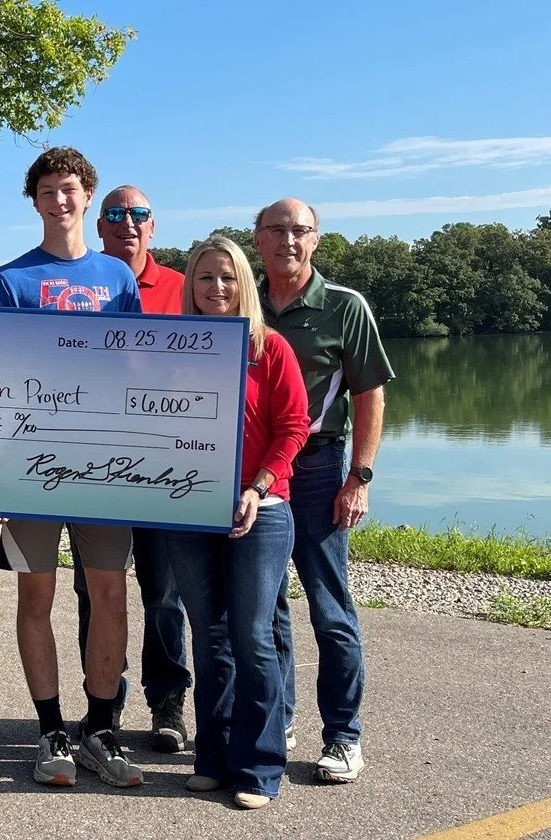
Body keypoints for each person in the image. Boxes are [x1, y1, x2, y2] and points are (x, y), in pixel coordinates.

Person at [0, 147, 144, 789]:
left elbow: (137, 368)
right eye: (47, 190)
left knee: (109, 593)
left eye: (70, 189)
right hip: (29, 466)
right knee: (36, 595)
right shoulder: (10, 281)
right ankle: (50, 731)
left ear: (87, 196)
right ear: (36, 201)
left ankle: (100, 729)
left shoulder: (117, 278)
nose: (60, 200)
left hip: (105, 462)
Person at [163, 235, 309, 809]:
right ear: (190, 287)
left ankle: (261, 766)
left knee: (253, 637)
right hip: (187, 511)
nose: (216, 288)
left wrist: (257, 487)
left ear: (242, 283)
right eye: (204, 278)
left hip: (261, 511)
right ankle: (214, 757)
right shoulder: (172, 349)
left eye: (226, 277)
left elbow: (294, 429)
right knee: (211, 636)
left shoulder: (269, 349)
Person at [255, 198, 394, 784]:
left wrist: (358, 478)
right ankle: (279, 717)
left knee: (329, 607)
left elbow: (369, 395)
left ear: (316, 239)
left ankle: (342, 735)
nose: (289, 239)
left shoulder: (344, 307)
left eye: (300, 230)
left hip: (315, 466)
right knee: (266, 607)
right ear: (257, 238)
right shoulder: (240, 299)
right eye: (277, 230)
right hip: (253, 471)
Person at [70, 184, 192, 752]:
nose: (127, 223)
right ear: (99, 226)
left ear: (153, 224)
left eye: (138, 214)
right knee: (96, 592)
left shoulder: (184, 288)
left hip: (165, 470)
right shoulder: (82, 283)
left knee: (163, 594)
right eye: (115, 214)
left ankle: (168, 703)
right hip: (94, 466)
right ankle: (104, 705)